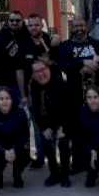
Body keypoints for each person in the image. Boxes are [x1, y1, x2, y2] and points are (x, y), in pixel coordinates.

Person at [29, 58, 71, 187]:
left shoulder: (60, 82)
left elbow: (68, 108)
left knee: (63, 142)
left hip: (63, 118)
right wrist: (43, 127)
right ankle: (54, 173)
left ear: (48, 68)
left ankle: (65, 174)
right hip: (46, 120)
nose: (40, 74)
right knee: (45, 141)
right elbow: (35, 110)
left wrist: (62, 128)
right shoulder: (34, 85)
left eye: (42, 70)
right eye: (36, 72)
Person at [0, 87, 30, 190]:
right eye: (1, 99)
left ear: (12, 99)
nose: (4, 101)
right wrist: (4, 151)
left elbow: (24, 136)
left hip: (16, 146)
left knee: (26, 151)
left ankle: (17, 174)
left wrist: (14, 150)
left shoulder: (21, 113)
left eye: (7, 98)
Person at [58, 17, 99, 100]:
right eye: (76, 26)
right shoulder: (65, 46)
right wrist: (83, 62)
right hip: (75, 95)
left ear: (86, 27)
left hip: (97, 93)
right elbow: (63, 66)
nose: (79, 29)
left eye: (82, 25)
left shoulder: (98, 44)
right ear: (71, 28)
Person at [0, 10, 29, 104]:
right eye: (12, 20)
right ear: (8, 21)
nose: (14, 22)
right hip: (3, 82)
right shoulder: (1, 36)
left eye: (17, 20)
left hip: (23, 84)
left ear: (22, 21)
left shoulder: (27, 35)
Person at [76, 86, 99, 188]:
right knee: (81, 146)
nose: (92, 100)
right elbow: (82, 136)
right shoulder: (82, 112)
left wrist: (95, 150)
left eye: (95, 97)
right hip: (89, 148)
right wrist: (91, 150)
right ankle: (91, 172)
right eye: (89, 97)